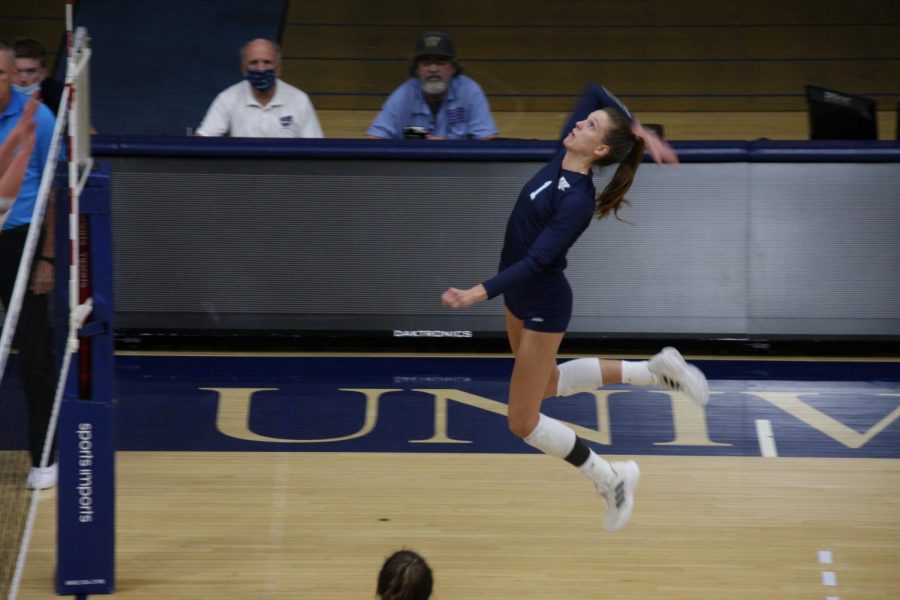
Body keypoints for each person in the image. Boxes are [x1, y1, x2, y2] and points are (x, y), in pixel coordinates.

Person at [441, 83, 709, 533]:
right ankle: (655, 372)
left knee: (522, 421)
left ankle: (610, 477)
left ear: (599, 147)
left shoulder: (578, 199)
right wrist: (638, 128)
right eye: (585, 121)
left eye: (590, 126)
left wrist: (477, 293)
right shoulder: (562, 157)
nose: (580, 122)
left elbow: (536, 262)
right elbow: (594, 91)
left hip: (543, 303)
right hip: (519, 297)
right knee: (546, 385)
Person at [0, 42, 59, 490]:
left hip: (21, 242)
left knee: (35, 351)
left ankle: (45, 456)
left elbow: (52, 193)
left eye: (3, 73)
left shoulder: (38, 117)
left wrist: (46, 256)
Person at [367, 32, 497, 140]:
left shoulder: (470, 91)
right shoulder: (402, 95)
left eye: (440, 62)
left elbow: (487, 139)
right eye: (426, 62)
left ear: (453, 68)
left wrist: (447, 147)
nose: (433, 69)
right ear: (417, 69)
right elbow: (374, 138)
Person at [196, 38, 323, 138]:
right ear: (244, 70)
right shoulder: (227, 98)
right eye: (254, 63)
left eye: (267, 62)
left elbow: (316, 146)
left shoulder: (299, 100)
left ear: (278, 69)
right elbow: (202, 139)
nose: (261, 69)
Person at [12, 38, 64, 117]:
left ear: (43, 73)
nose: (23, 79)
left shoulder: (59, 93)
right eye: (17, 71)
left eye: (30, 71)